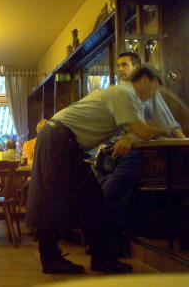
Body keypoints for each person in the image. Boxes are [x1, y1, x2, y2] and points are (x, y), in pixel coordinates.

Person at [26, 67, 170, 274]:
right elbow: (143, 131)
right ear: (146, 80)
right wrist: (169, 129)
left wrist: (132, 136)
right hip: (60, 140)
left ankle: (93, 257)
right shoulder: (125, 94)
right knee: (63, 200)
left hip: (58, 138)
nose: (154, 93)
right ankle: (70, 259)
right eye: (155, 86)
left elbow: (134, 132)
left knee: (84, 199)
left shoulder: (120, 94)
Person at [96, 52, 186, 253]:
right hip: (108, 152)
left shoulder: (147, 93)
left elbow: (168, 122)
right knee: (116, 197)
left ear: (138, 69)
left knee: (108, 194)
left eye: (125, 65)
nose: (120, 69)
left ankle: (104, 245)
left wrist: (182, 143)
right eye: (118, 65)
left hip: (131, 153)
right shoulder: (118, 92)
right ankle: (106, 246)